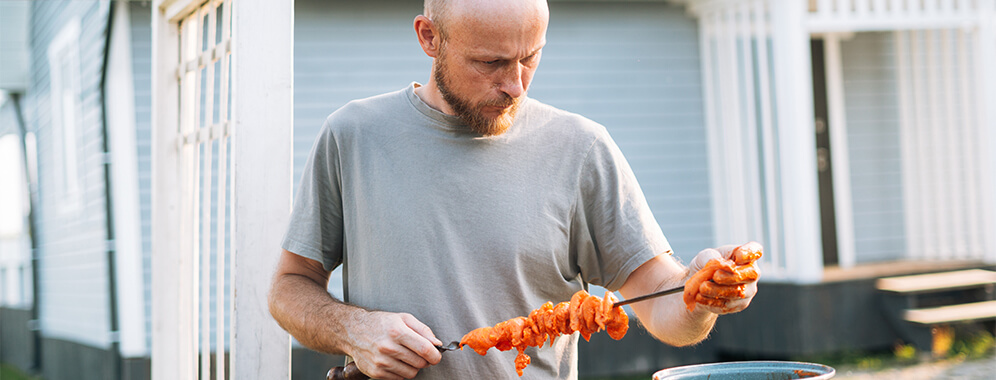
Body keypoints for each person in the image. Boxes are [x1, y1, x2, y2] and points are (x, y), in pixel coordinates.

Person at [267, 0, 760, 379]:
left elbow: (661, 301)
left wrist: (699, 295)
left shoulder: (581, 148)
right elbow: (289, 287)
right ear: (429, 37)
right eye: (491, 62)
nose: (516, 86)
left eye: (530, 58)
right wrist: (354, 330)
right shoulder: (353, 135)